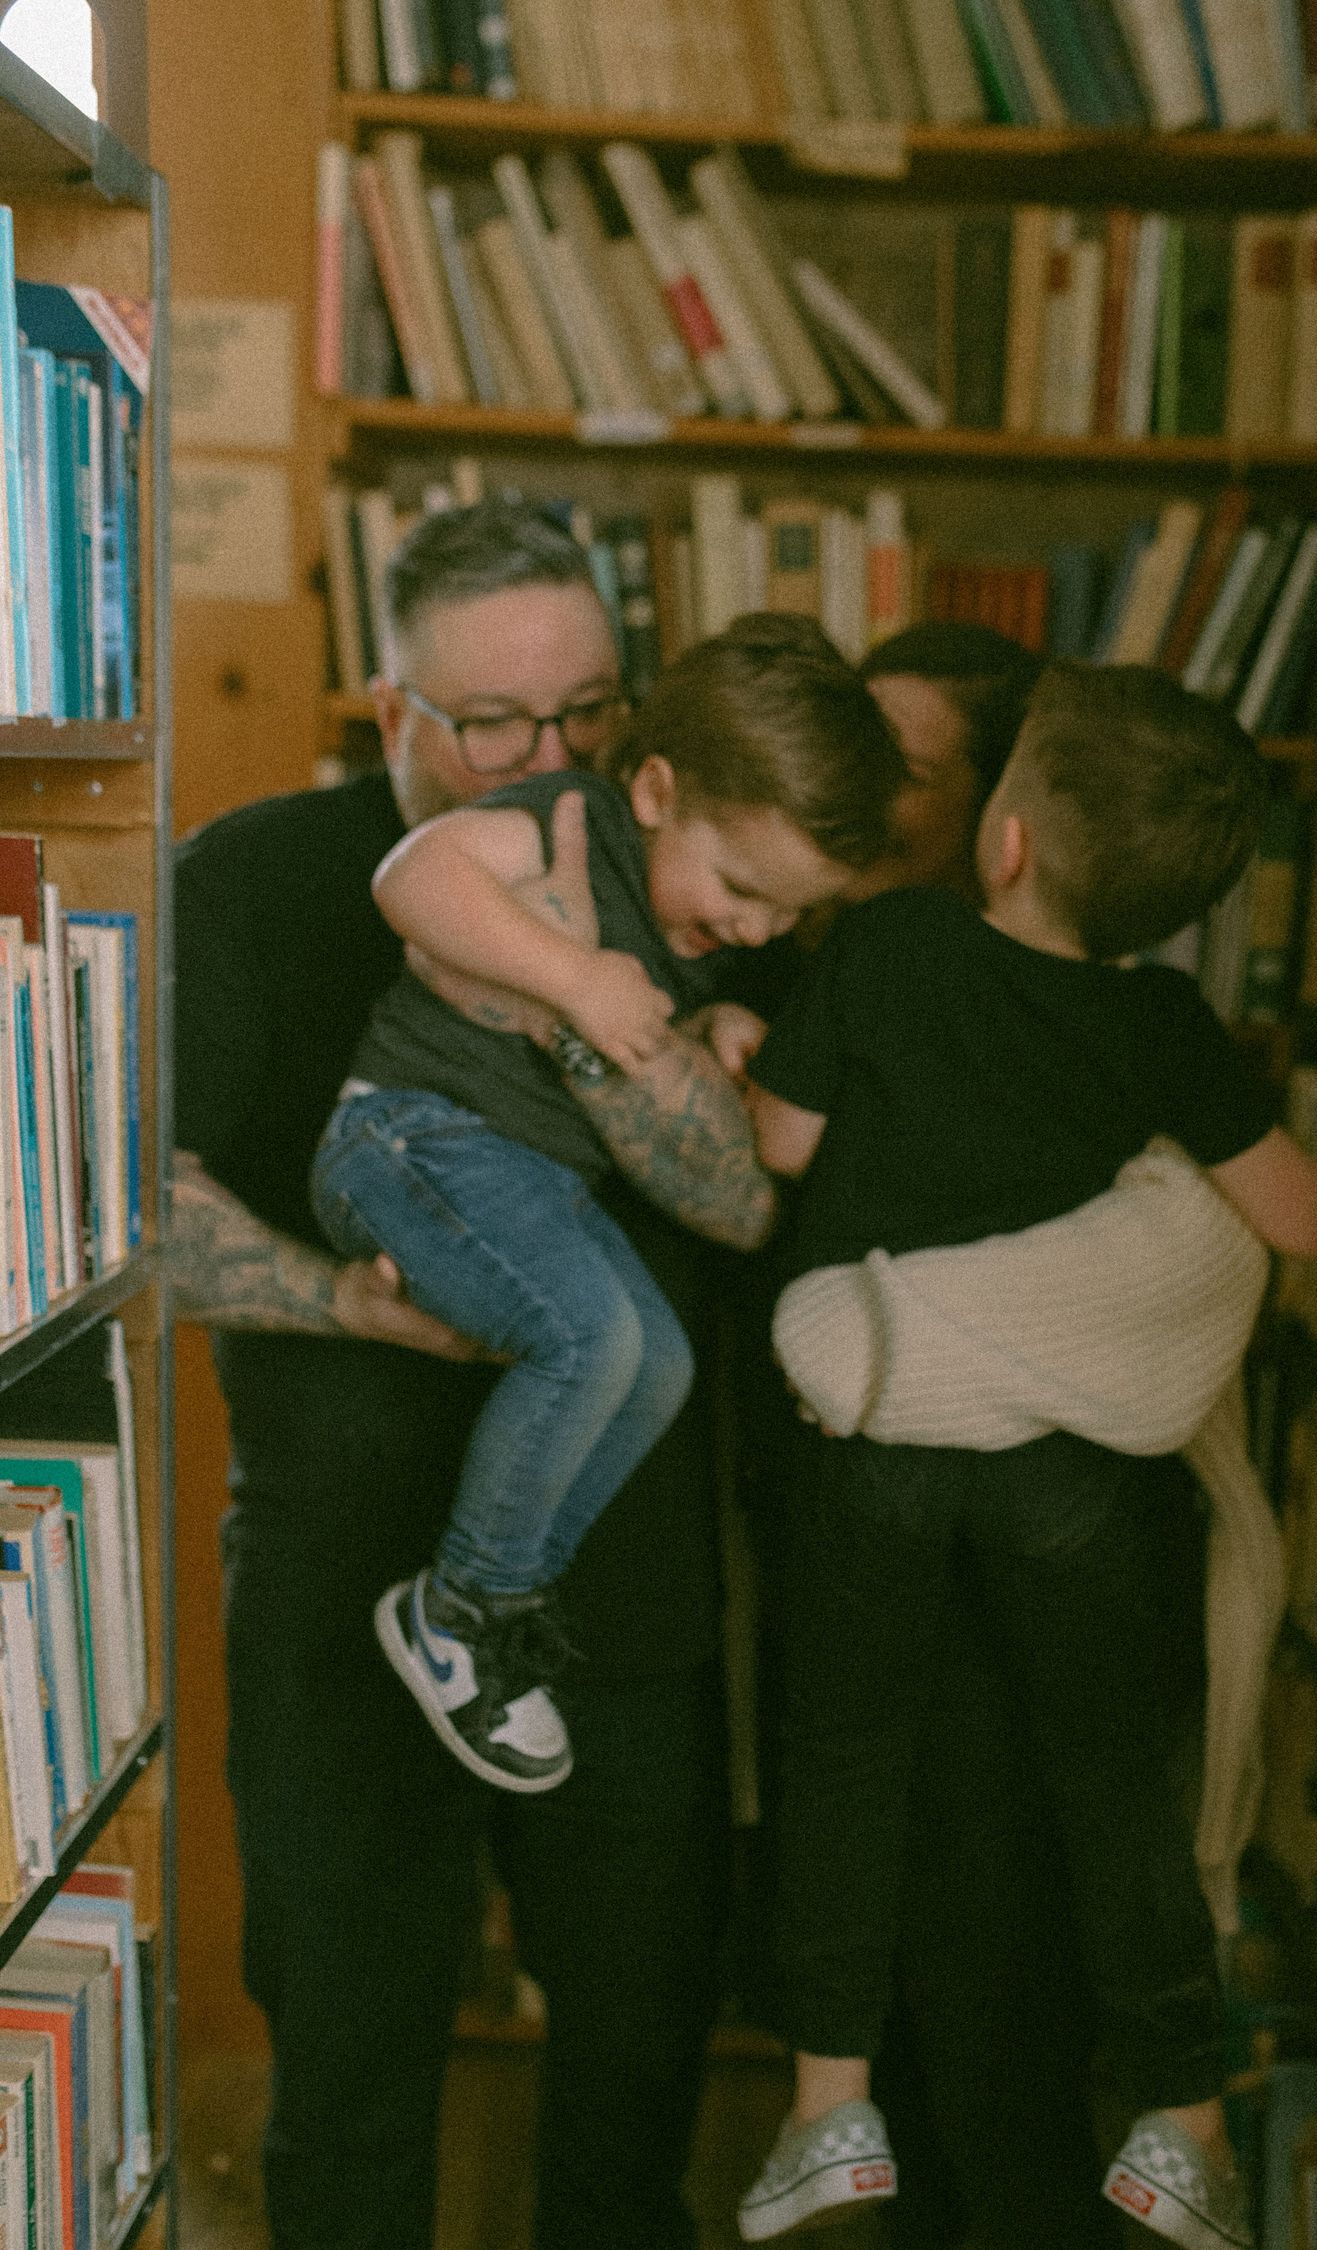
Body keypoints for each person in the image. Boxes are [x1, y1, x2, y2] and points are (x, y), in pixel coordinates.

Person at [171, 499, 828, 2250]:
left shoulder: (690, 873)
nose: (548, 758)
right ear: (392, 710)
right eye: (493, 725)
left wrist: (563, 987)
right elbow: (114, 1227)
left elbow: (740, 1197)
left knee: (631, 2095)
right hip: (337, 1583)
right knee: (352, 2095)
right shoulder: (251, 877)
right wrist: (347, 1302)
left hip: (628, 1610)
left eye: (589, 715)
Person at [736, 664, 1317, 2249]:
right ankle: (1185, 2124)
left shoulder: (884, 942)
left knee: (843, 1768)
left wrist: (758, 1053)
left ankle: (826, 2116)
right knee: (1113, 1782)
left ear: (1001, 838)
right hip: (1067, 1474)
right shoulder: (1163, 1021)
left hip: (874, 1448)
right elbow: (1303, 1220)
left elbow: (777, 1150)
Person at [308, 613, 903, 1791]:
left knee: (659, 1363)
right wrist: (575, 980)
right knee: (594, 1339)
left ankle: (495, 1607)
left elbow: (654, 1029)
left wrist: (708, 1026)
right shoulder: (566, 818)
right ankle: (463, 1613)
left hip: (521, 1173)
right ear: (656, 787)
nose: (755, 928)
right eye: (741, 888)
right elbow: (412, 876)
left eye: (790, 914)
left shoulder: (709, 924)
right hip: (406, 1134)